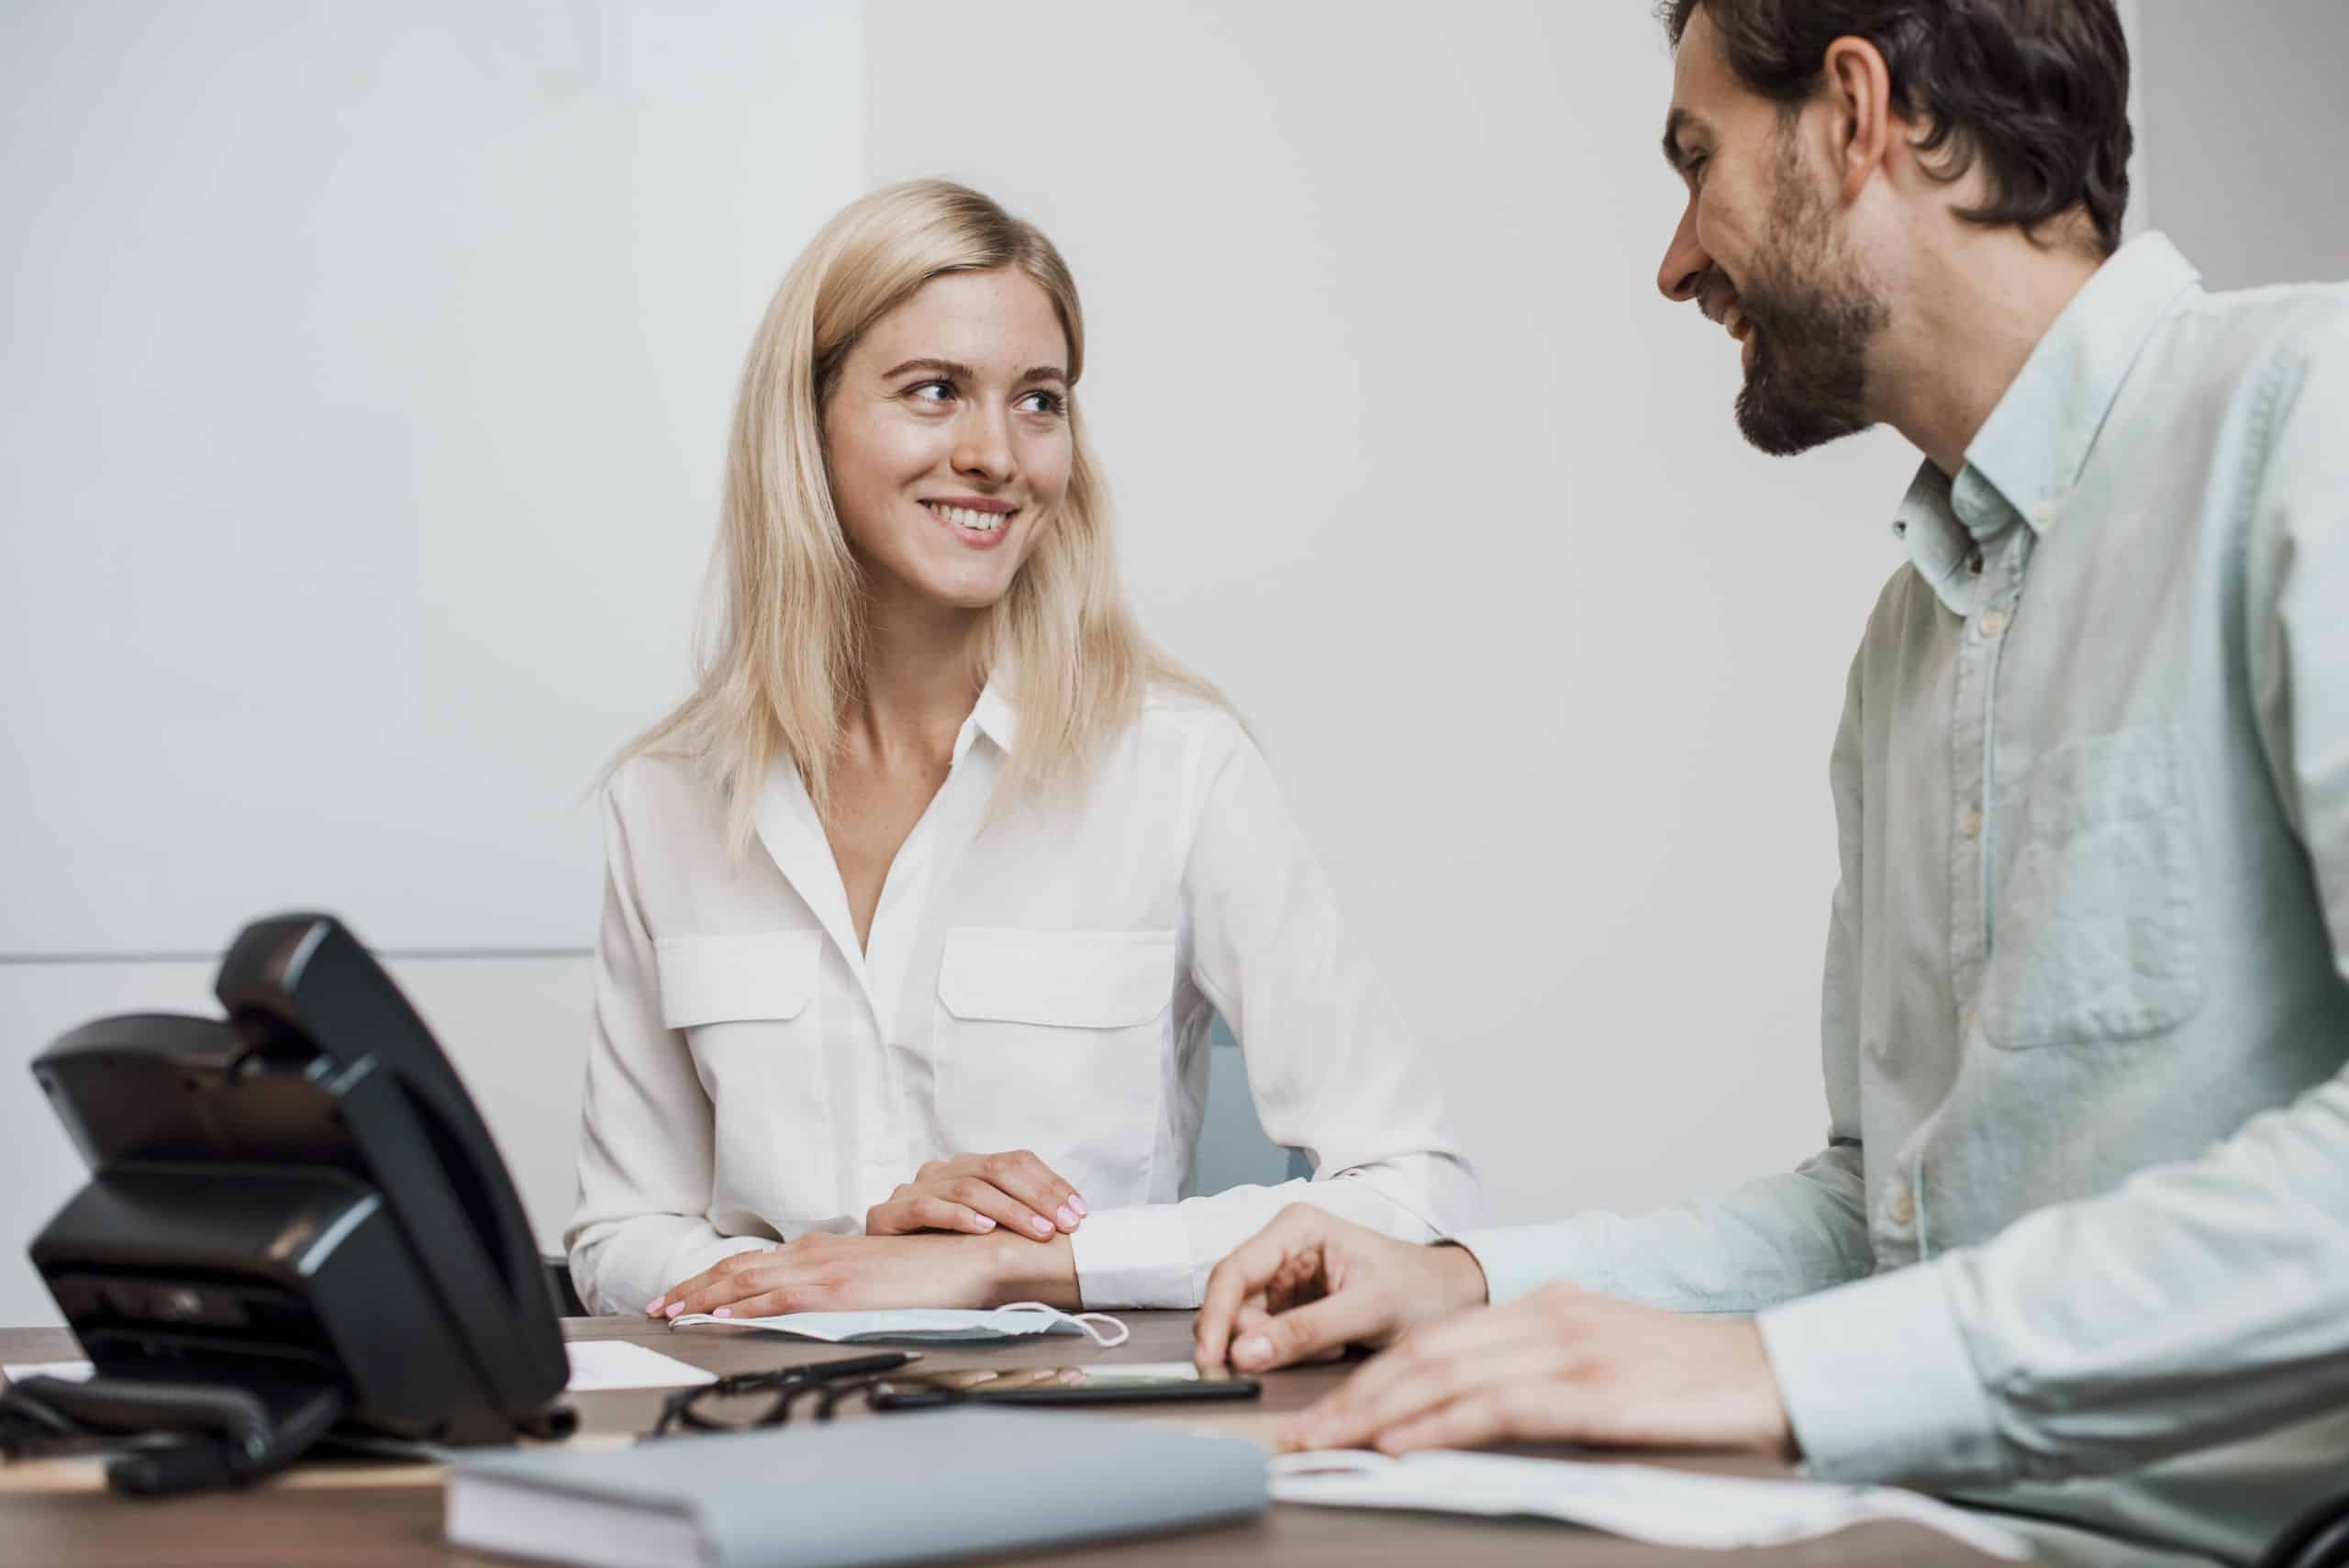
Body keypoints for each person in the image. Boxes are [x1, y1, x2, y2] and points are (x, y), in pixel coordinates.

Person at [1193, 3, 2349, 1562]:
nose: (1675, 260)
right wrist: (1470, 1280)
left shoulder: (2308, 418)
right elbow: (1875, 1208)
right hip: (1909, 1519)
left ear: (1857, 112)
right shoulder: (1911, 638)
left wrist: (1775, 1374)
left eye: (1698, 160)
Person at [563, 180, 1477, 1325]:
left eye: (1037, 401)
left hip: (1079, 1426)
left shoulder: (1179, 767)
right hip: (768, 1429)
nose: (996, 453)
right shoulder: (667, 800)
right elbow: (619, 1231)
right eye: (934, 391)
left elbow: (1410, 1192)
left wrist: (1024, 1260)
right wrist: (830, 1269)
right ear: (806, 422)